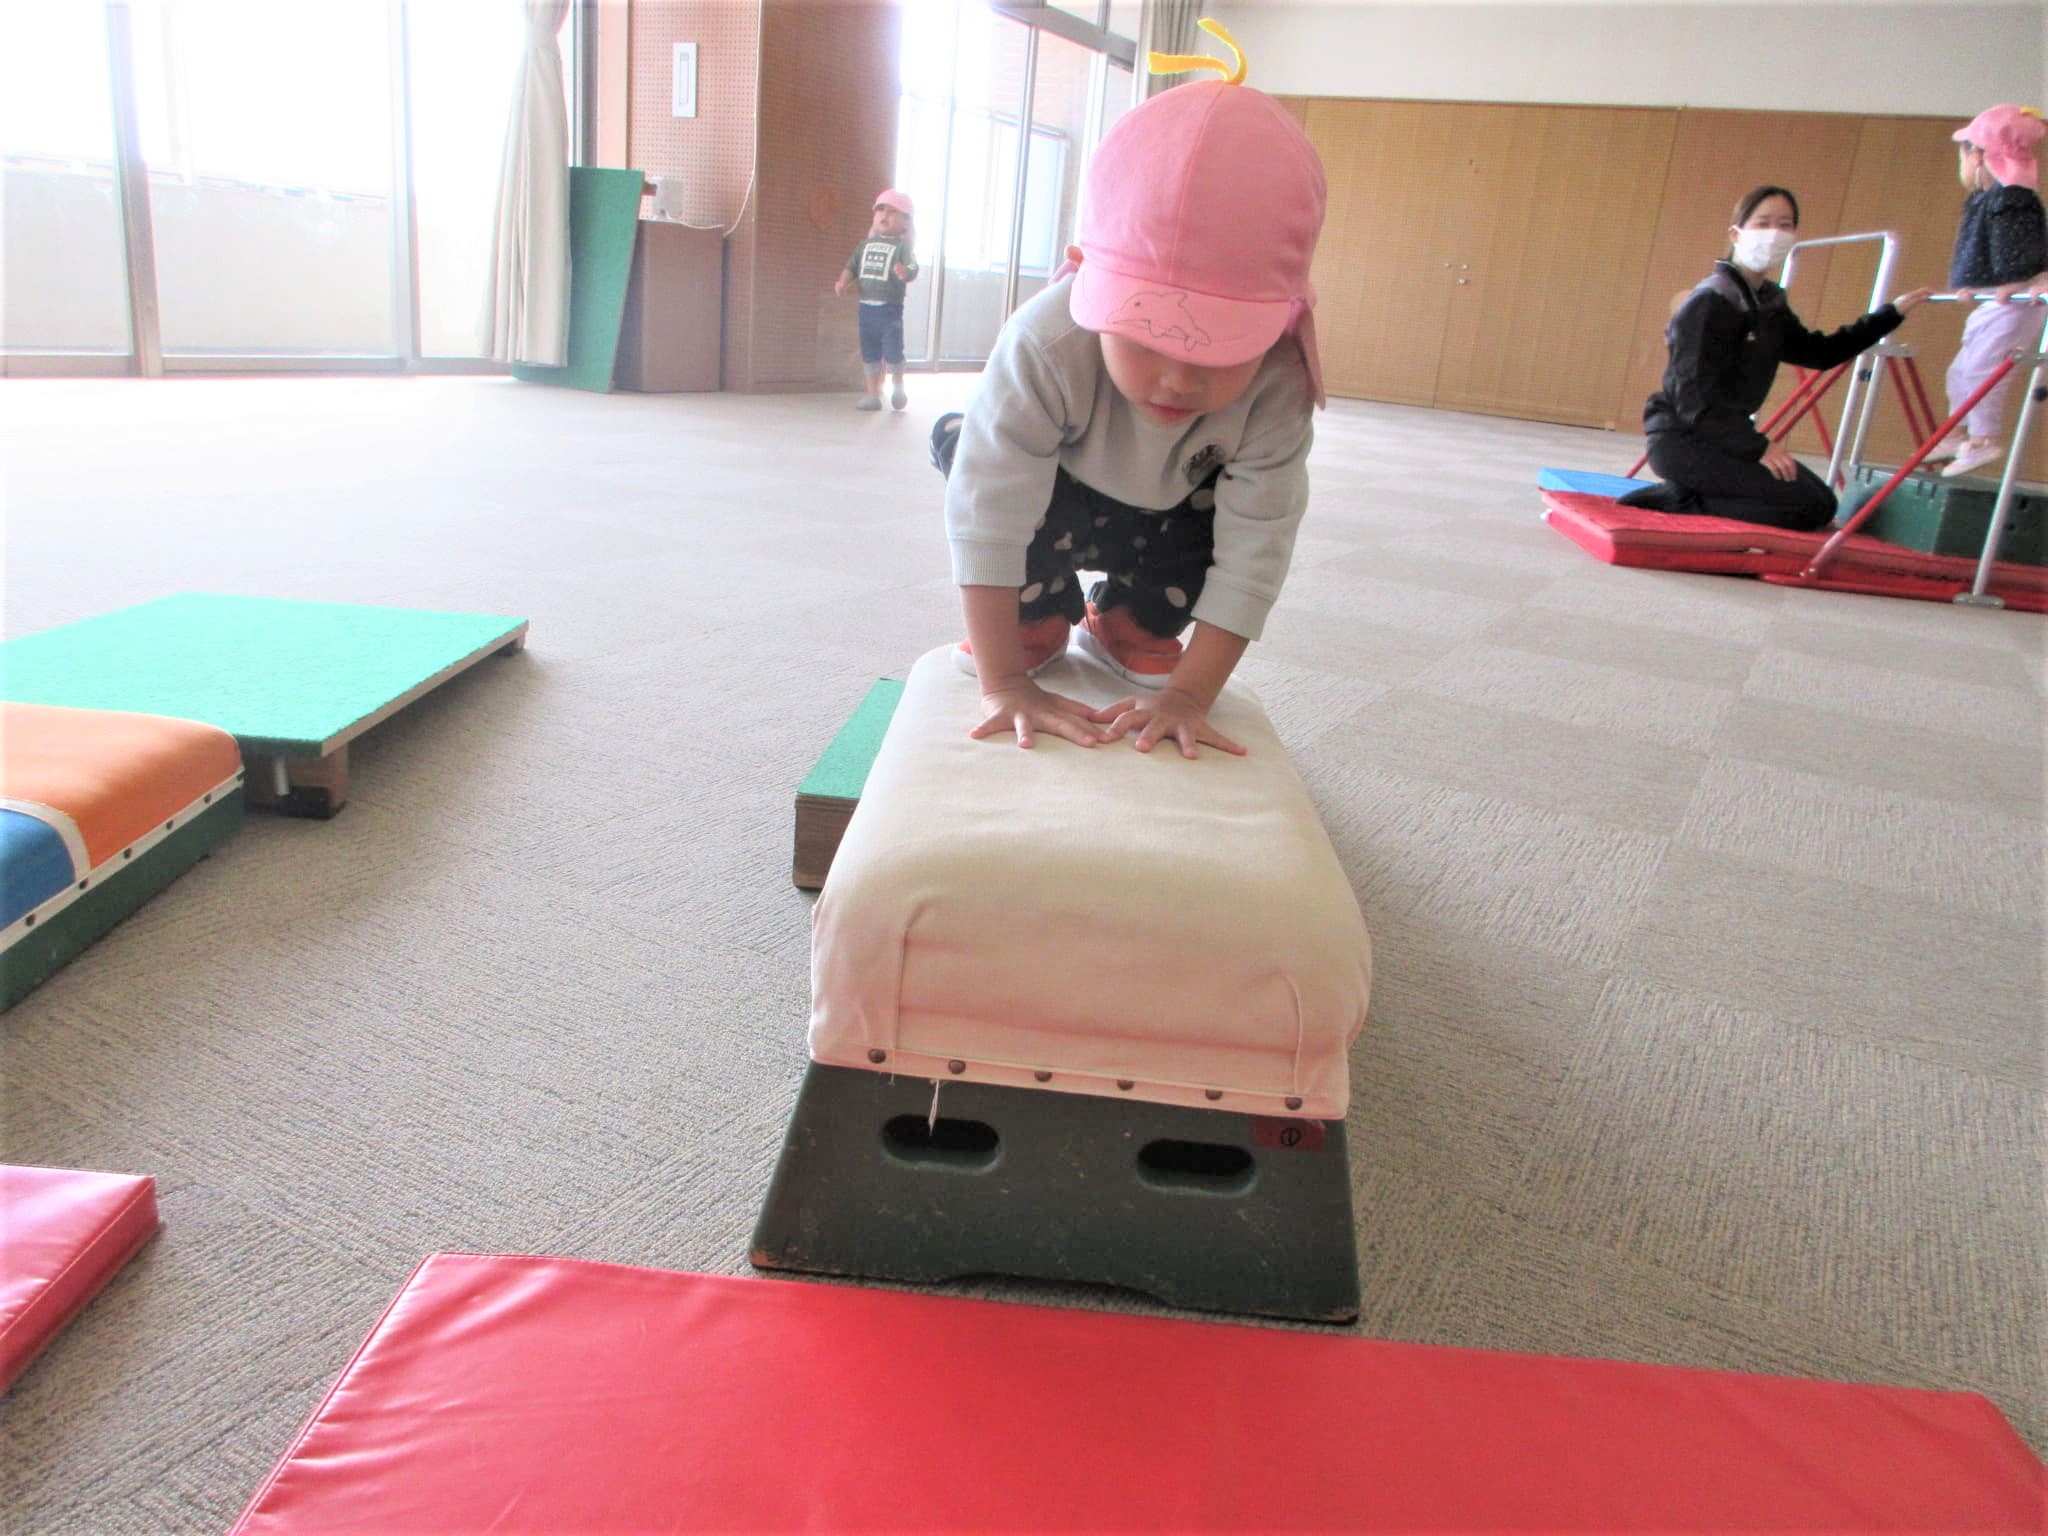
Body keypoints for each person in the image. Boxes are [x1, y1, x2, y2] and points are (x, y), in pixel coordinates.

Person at [930, 38, 1325, 761]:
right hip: (1053, 495)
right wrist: (1003, 680)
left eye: (1219, 347)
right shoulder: (1044, 342)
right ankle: (1035, 615)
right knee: (972, 449)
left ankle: (1130, 619)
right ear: (1083, 275)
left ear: (1285, 316)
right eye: (1144, 337)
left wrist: (1189, 696)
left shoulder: (1278, 383)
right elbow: (989, 509)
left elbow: (1255, 547)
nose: (1177, 380)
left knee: (1207, 540)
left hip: (1166, 515)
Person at [1619, 185, 1932, 530]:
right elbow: (1694, 400)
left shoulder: (1769, 302)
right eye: (1763, 223)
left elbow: (1820, 352)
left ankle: (1689, 494)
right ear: (1736, 234)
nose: (1774, 233)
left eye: (1785, 225)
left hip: (1725, 438)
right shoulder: (1710, 301)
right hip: (1685, 441)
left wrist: (1889, 315)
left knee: (1821, 498)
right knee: (1810, 506)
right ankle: (1678, 501)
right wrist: (1758, 448)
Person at [1926, 106, 2048, 480]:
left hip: (2017, 302)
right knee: (1960, 369)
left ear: (1978, 156)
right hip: (1996, 300)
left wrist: (2022, 281)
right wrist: (1974, 287)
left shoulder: (2012, 199)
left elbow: (2021, 247)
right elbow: (1987, 250)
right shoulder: (1990, 198)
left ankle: (1983, 438)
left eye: (1962, 156)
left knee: (1984, 368)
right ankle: (1957, 430)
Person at [836, 190, 919, 411]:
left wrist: (905, 272)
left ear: (906, 222)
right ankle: (872, 394)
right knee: (869, 351)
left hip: (890, 310)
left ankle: (898, 385)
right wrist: (843, 282)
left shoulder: (903, 247)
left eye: (893, 212)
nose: (885, 215)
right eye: (880, 210)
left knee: (893, 351)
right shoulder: (864, 246)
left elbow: (913, 266)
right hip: (866, 309)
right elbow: (851, 266)